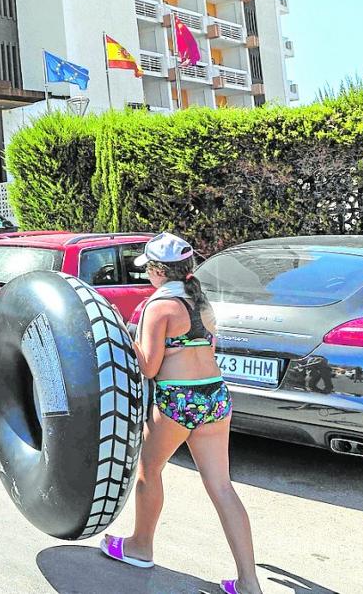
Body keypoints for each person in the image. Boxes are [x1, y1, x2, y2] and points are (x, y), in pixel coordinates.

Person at [100, 233, 262, 594]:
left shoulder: (160, 307)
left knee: (149, 470)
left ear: (158, 270)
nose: (147, 277)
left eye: (148, 271)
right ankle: (249, 582)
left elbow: (149, 365)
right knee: (221, 486)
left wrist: (122, 333)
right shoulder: (201, 303)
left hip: (177, 400)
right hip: (215, 397)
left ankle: (140, 546)